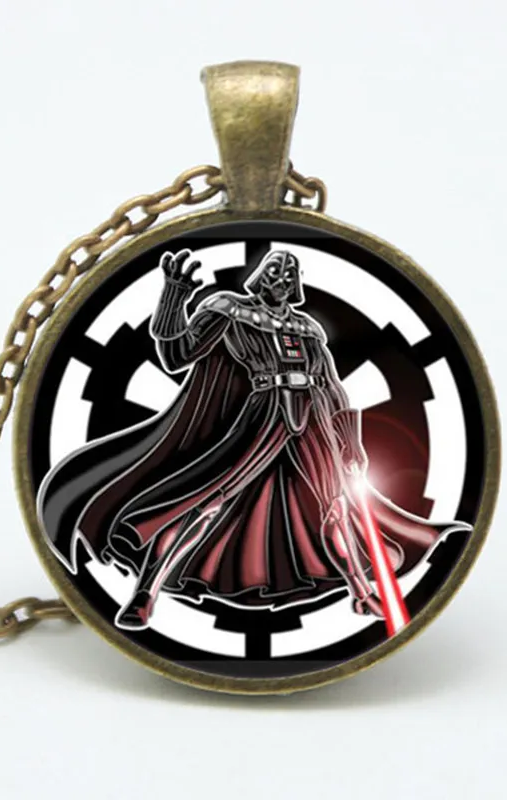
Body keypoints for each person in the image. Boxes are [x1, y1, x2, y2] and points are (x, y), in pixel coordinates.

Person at [38, 249, 467, 630]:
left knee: (337, 505)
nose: (281, 277)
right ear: (261, 275)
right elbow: (176, 355)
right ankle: (145, 594)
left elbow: (332, 386)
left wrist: (350, 442)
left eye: (289, 272)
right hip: (263, 413)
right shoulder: (229, 310)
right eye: (275, 269)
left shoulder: (306, 327)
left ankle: (361, 591)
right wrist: (173, 297)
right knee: (208, 501)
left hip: (314, 417)